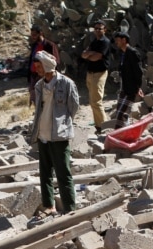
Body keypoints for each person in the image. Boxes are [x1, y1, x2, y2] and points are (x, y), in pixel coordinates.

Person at [29, 51, 79, 220]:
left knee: (63, 173)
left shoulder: (66, 84)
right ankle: (49, 205)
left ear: (47, 66)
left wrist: (63, 124)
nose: (37, 70)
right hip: (42, 134)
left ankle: (69, 208)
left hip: (59, 135)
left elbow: (74, 107)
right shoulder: (39, 85)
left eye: (39, 66)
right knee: (45, 172)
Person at [81, 21, 111, 134]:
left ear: (105, 30)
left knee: (96, 101)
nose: (98, 30)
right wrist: (90, 54)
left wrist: (90, 54)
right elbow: (83, 54)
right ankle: (99, 126)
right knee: (93, 101)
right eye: (96, 28)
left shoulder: (105, 42)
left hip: (99, 73)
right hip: (90, 73)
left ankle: (104, 126)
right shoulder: (94, 41)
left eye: (100, 28)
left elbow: (96, 57)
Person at [112, 31, 143, 129]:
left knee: (123, 114)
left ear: (124, 40)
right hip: (124, 88)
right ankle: (124, 132)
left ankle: (120, 135)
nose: (116, 42)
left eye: (118, 40)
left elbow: (138, 72)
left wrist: (137, 87)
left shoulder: (132, 53)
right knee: (119, 112)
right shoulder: (123, 53)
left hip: (131, 89)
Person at [28, 24, 60, 106]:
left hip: (45, 76)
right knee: (35, 99)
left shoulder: (49, 45)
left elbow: (55, 62)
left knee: (46, 100)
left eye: (35, 35)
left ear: (41, 33)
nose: (33, 37)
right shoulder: (34, 45)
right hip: (34, 76)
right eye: (32, 35)